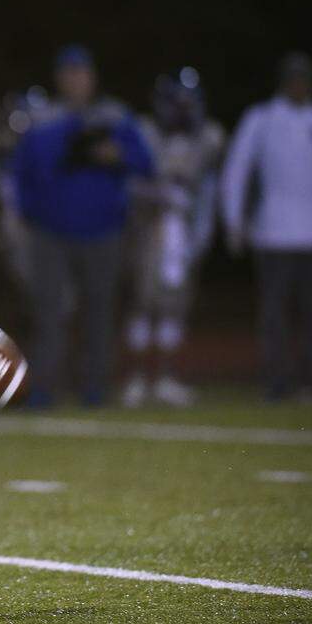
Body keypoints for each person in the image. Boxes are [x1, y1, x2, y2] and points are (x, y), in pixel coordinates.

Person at [10, 45, 154, 407]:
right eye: (68, 73)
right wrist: (29, 214)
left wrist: (115, 155)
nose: (75, 80)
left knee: (99, 312)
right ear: (58, 78)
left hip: (102, 230)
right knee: (48, 312)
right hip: (50, 232)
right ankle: (43, 388)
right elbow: (20, 174)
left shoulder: (114, 116)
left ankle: (94, 387)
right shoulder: (41, 120)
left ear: (92, 77)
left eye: (81, 73)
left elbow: (146, 163)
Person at [121, 68, 225, 408]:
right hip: (149, 229)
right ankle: (136, 379)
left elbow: (209, 191)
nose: (182, 110)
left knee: (174, 308)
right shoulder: (144, 132)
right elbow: (129, 183)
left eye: (187, 103)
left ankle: (165, 378)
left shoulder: (208, 138)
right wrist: (158, 195)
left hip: (184, 231)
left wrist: (201, 232)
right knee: (142, 306)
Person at [221, 52, 312, 401]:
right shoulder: (262, 119)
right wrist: (234, 220)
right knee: (274, 314)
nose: (298, 85)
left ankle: (311, 381)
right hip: (273, 233)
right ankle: (276, 381)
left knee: (311, 315)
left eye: (304, 79)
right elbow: (237, 170)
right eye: (293, 79)